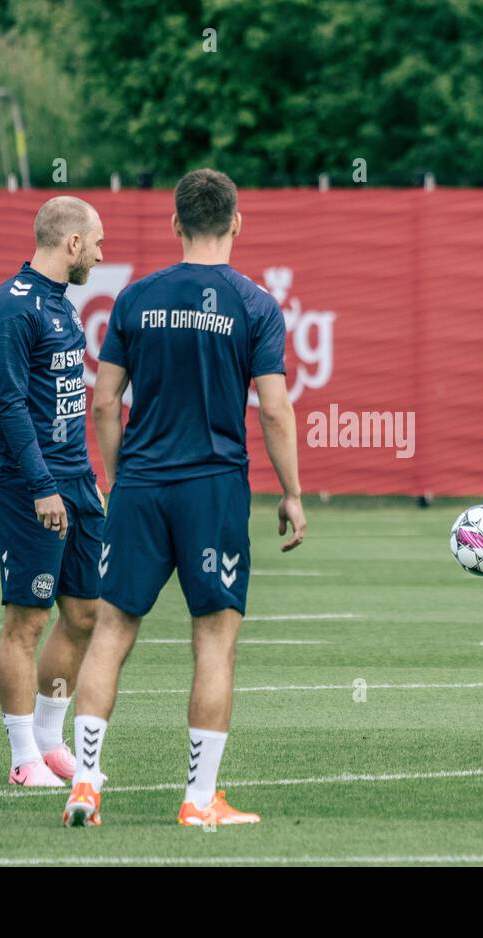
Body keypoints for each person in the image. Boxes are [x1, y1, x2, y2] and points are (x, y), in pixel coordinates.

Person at [62, 168, 306, 828]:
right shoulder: (254, 304)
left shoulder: (136, 299)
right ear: (237, 223)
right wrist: (292, 493)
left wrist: (121, 477)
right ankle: (199, 800)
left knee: (110, 634)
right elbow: (276, 411)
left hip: (141, 486)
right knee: (214, 644)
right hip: (213, 488)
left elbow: (105, 400)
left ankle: (84, 785)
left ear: (175, 224)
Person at [0, 197, 106, 787]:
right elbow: (8, 405)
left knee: (84, 613)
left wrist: (86, 480)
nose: (102, 253)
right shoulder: (12, 307)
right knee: (26, 620)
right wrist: (43, 486)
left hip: (77, 483)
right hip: (30, 488)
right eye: (97, 241)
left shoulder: (62, 306)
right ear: (72, 244)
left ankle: (51, 739)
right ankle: (22, 757)